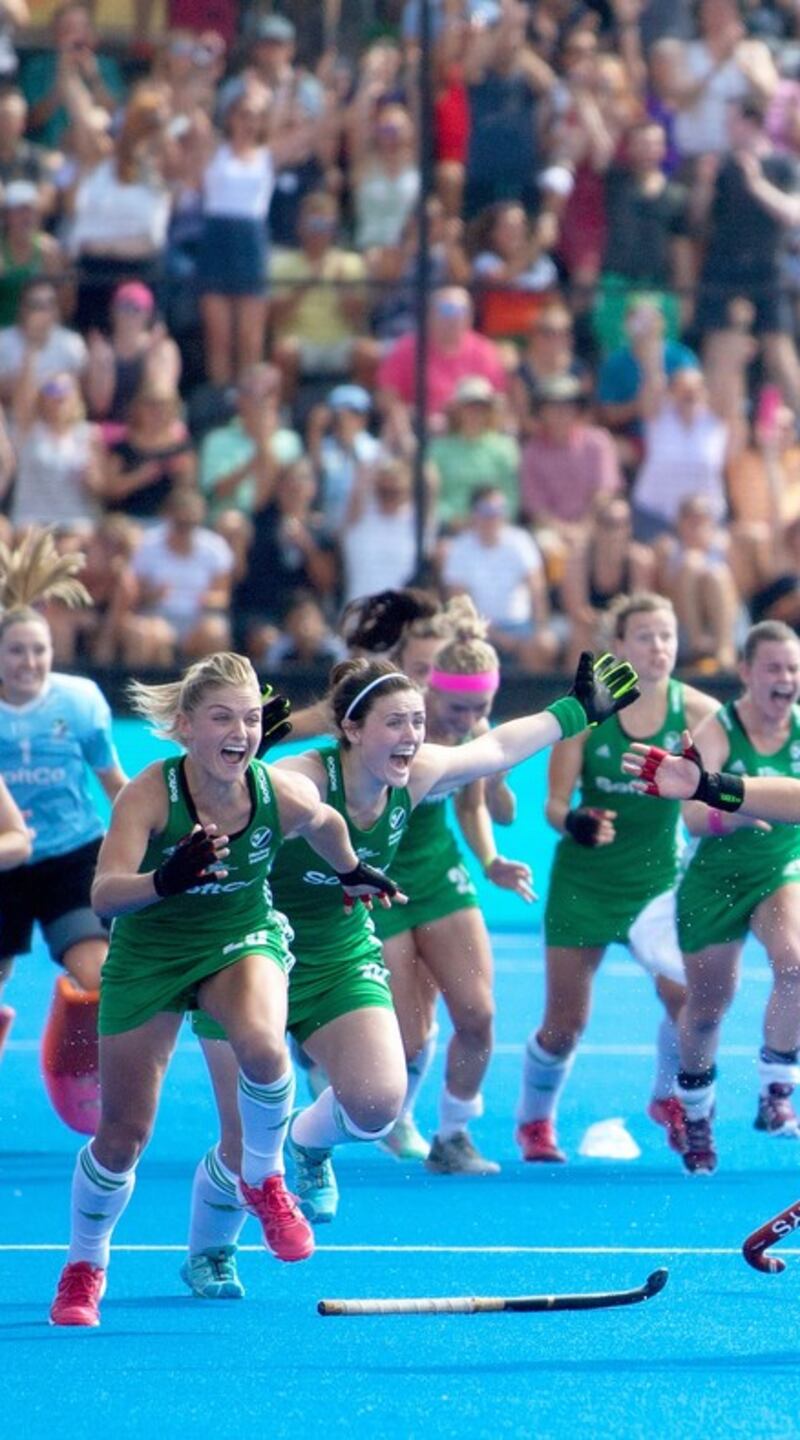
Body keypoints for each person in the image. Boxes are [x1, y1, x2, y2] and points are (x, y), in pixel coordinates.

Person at [181, 648, 639, 1295]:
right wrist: (238, 754)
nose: (412, 736)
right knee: (240, 1144)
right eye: (395, 723)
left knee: (376, 1103)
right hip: (248, 952)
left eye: (417, 721)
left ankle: (308, 1144)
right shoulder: (301, 781)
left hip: (338, 950)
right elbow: (218, 813)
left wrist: (575, 712)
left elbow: (498, 748)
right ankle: (210, 1251)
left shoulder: (417, 775)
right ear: (352, 730)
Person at [48, 650, 402, 1327]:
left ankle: (263, 1177)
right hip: (150, 952)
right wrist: (163, 881)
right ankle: (84, 1264)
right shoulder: (150, 793)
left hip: (239, 937)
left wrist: (354, 870)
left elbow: (327, 826)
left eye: (248, 718)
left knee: (265, 1048)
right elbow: (103, 895)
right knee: (122, 1137)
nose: (238, 732)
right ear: (185, 727)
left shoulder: (275, 792)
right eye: (220, 718)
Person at [516, 593, 718, 1163]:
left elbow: (724, 796)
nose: (659, 646)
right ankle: (534, 1121)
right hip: (585, 881)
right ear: (620, 646)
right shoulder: (588, 713)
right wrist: (574, 822)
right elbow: (555, 805)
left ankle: (668, 1099)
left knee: (687, 998)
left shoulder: (701, 714)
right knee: (564, 1024)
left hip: (658, 881)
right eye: (646, 636)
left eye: (667, 635)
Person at [621, 620, 800, 1175]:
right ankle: (695, 1112)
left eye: (794, 668)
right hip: (714, 880)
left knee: (795, 959)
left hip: (779, 869)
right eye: (773, 667)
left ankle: (777, 1087)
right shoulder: (718, 730)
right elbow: (694, 817)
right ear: (745, 672)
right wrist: (741, 809)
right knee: (707, 1006)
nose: (786, 678)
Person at [374, 604, 534, 1173]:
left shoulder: (478, 733)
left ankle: (453, 1136)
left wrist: (490, 859)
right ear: (428, 689)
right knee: (409, 1036)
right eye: (458, 707)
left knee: (478, 1014)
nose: (468, 719)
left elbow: (478, 805)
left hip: (440, 876)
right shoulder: (396, 726)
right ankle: (373, 1115)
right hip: (379, 882)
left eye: (481, 709)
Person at [0, 528, 127, 1133]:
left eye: (40, 651)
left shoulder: (79, 703)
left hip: (72, 858)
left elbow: (114, 784)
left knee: (100, 978)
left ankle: (69, 1060)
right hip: (2, 863)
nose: (30, 663)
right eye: (17, 651)